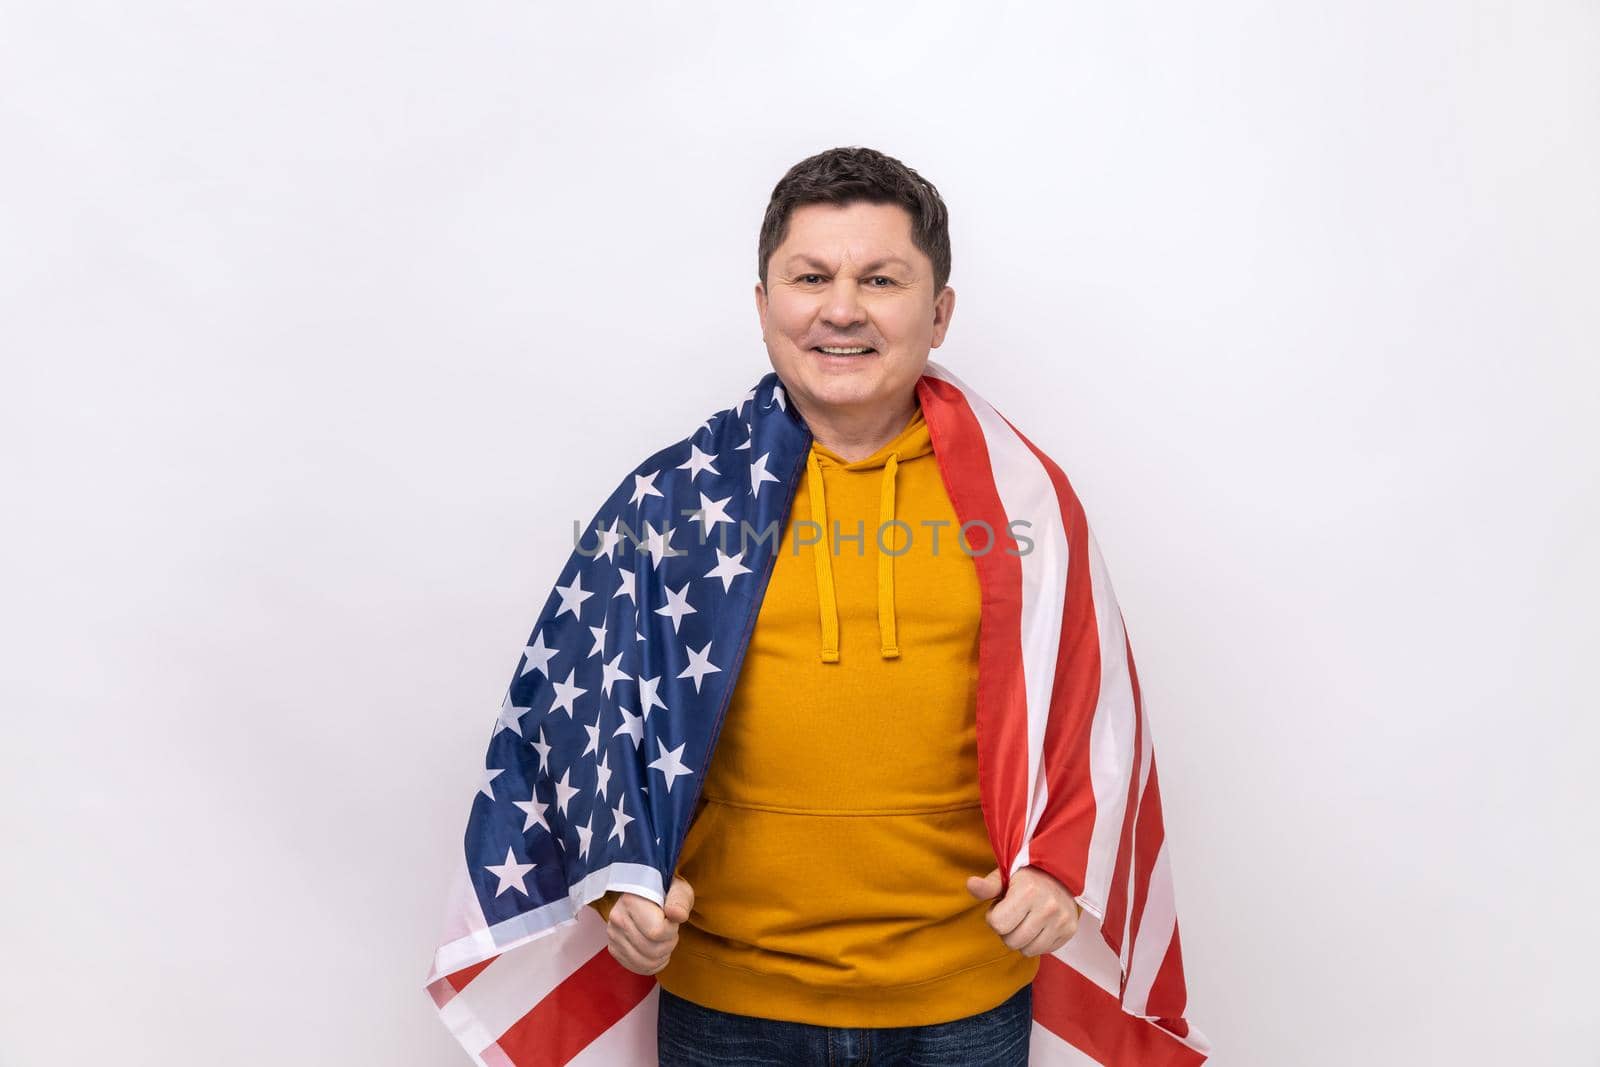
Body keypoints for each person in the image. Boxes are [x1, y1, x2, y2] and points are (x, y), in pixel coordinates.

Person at [586, 146, 1082, 1064]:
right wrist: (622, 889)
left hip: (961, 998)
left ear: (938, 313)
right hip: (729, 1002)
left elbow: (1081, 716)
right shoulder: (671, 506)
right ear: (765, 303)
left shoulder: (1021, 500)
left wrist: (1060, 868)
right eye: (811, 276)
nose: (843, 307)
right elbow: (591, 722)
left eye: (881, 278)